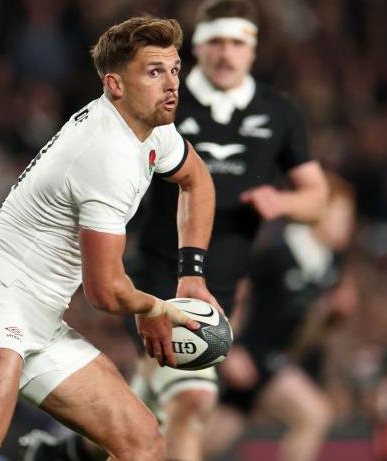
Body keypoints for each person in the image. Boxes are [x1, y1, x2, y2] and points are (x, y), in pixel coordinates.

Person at [0, 15, 220, 461]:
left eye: (174, 70)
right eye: (154, 72)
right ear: (114, 85)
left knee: (141, 441)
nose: (171, 84)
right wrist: (154, 308)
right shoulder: (105, 155)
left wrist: (191, 276)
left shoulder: (151, 129)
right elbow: (105, 291)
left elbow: (198, 180)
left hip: (40, 316)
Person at [20, 1, 328, 460]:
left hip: (221, 288)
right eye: (216, 42)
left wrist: (280, 201)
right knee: (191, 402)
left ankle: (68, 453)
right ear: (197, 49)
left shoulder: (278, 113)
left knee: (151, 414)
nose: (226, 54)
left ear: (253, 49)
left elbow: (318, 196)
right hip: (158, 277)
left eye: (238, 43)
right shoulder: (164, 102)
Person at [208, 173, 357, 461]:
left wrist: (334, 314)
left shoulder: (331, 264)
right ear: (319, 212)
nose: (347, 225)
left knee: (207, 442)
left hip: (274, 360)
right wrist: (228, 349)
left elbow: (309, 327)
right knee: (314, 415)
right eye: (342, 215)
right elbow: (231, 297)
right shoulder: (277, 254)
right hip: (251, 356)